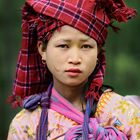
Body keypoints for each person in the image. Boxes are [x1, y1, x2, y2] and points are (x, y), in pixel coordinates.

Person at [7, 0, 140, 139]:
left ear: (98, 53)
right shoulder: (25, 125)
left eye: (86, 46)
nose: (75, 58)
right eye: (63, 46)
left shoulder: (124, 112)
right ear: (43, 49)